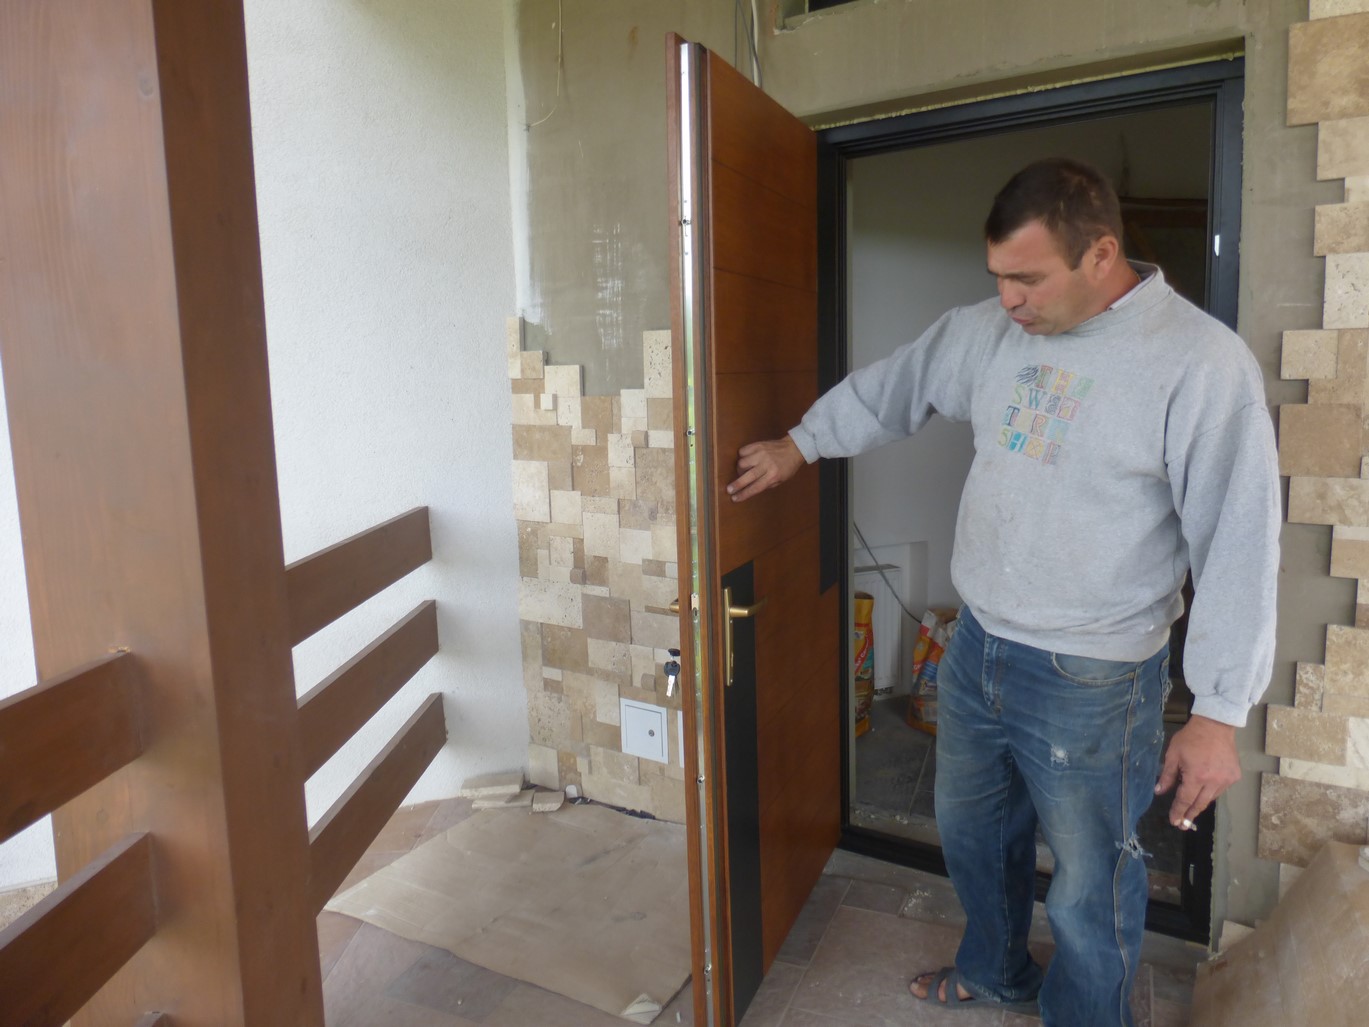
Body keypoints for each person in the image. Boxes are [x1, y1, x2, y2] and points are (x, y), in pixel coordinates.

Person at [725, 158, 1280, 1027]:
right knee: (974, 836)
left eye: (1027, 278)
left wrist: (1216, 710)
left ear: (1101, 254)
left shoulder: (1199, 362)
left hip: (1092, 673)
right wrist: (802, 442)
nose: (1008, 300)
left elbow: (1238, 540)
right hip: (978, 641)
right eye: (997, 277)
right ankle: (994, 969)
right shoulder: (986, 333)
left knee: (1089, 880)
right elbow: (898, 386)